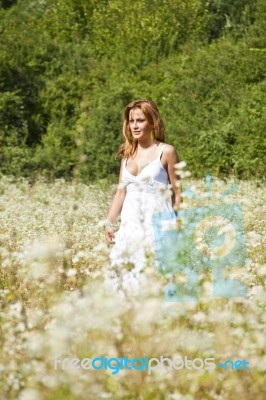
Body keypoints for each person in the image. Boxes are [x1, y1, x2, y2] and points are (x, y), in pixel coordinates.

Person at [103, 99, 181, 295]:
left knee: (155, 280)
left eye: (140, 120)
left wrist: (175, 227)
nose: (135, 125)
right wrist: (109, 223)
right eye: (131, 121)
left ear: (152, 121)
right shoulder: (127, 155)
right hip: (130, 228)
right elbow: (121, 192)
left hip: (157, 226)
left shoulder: (167, 152)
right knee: (122, 278)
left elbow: (178, 194)